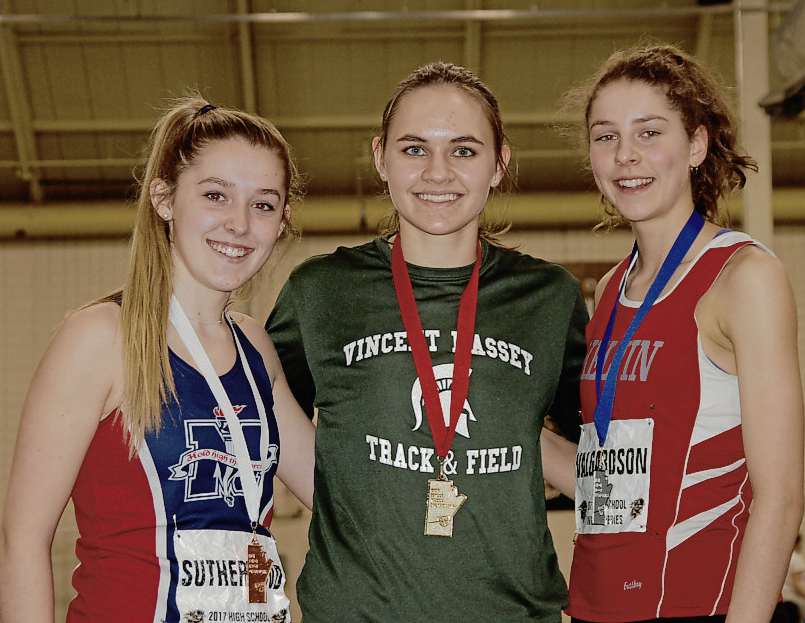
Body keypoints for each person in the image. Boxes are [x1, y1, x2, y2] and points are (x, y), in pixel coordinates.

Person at [265, 62, 587, 621]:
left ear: (499, 163)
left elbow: (594, 456)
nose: (437, 172)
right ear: (379, 158)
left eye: (463, 150)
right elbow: (254, 429)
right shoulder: (321, 292)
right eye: (414, 149)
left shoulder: (548, 298)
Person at [0, 97, 315, 622]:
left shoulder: (256, 347)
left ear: (281, 222)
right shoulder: (101, 338)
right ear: (164, 199)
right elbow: (23, 541)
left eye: (263, 204)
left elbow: (339, 492)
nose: (239, 224)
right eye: (216, 195)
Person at [562, 44, 804, 623]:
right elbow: (612, 470)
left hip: (698, 605)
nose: (625, 155)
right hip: (596, 606)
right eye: (605, 136)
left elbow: (782, 497)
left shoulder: (744, 277)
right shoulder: (612, 290)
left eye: (648, 133)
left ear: (696, 145)